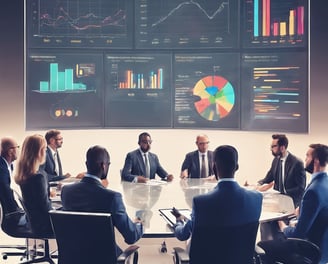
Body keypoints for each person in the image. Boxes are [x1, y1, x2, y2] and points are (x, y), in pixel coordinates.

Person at [174, 145, 263, 258]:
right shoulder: (256, 198)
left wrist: (178, 222)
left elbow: (183, 234)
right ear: (236, 167)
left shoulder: (201, 202)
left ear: (214, 167)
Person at [61, 145, 143, 256]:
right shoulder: (112, 197)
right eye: (108, 164)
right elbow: (131, 236)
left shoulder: (66, 191)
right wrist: (138, 224)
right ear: (103, 166)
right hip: (104, 258)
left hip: (72, 257)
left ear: (87, 165)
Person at [276, 143, 328, 264]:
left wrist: (283, 227)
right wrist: (301, 214)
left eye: (307, 156)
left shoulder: (313, 191)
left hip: (312, 250)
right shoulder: (325, 183)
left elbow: (298, 235)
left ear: (316, 161)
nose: (305, 159)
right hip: (324, 247)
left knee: (265, 246)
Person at [14, 134, 54, 237]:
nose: (46, 152)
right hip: (44, 225)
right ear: (39, 151)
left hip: (34, 223)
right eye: (45, 149)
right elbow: (45, 207)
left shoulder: (25, 173)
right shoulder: (38, 177)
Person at [257, 134, 306, 208]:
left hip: (293, 203)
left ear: (282, 148)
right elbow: (269, 177)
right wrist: (258, 184)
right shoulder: (276, 160)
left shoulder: (297, 163)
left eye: (274, 146)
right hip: (279, 202)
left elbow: (300, 188)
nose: (271, 149)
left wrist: (283, 193)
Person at [0, 137, 27, 231]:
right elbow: (7, 195)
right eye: (17, 147)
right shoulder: (1, 169)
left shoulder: (8, 165)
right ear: (10, 151)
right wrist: (21, 211)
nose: (19, 150)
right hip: (11, 218)